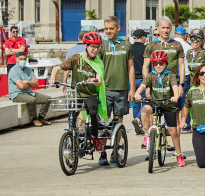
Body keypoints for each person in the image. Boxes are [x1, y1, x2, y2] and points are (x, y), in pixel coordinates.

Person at [50, 32, 108, 166]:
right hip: (77, 93)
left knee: (93, 113)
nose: (95, 49)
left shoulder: (98, 62)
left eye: (97, 47)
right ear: (86, 46)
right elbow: (57, 68)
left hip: (90, 94)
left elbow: (99, 81)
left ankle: (94, 138)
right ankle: (72, 135)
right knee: (72, 114)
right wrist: (53, 78)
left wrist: (92, 81)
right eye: (92, 46)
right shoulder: (76, 58)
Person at [135, 50, 184, 166]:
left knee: (173, 132)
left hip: (168, 103)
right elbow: (142, 85)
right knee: (144, 110)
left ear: (165, 64)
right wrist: (137, 93)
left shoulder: (170, 75)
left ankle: (179, 155)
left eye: (161, 63)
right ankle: (147, 135)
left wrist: (175, 96)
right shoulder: (151, 76)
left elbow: (175, 86)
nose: (158, 66)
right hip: (155, 102)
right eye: (156, 63)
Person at [100, 16, 135, 123]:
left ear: (118, 28)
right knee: (104, 121)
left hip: (121, 89)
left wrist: (132, 89)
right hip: (105, 89)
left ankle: (116, 140)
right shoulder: (101, 45)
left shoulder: (127, 45)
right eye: (106, 29)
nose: (108, 31)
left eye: (111, 28)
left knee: (118, 120)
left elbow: (131, 68)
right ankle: (104, 140)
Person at [9, 52, 51, 127]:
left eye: (24, 59)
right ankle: (34, 119)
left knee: (47, 99)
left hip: (29, 92)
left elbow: (36, 83)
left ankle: (41, 117)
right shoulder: (13, 71)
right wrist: (29, 84)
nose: (23, 61)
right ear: (16, 60)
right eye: (21, 59)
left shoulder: (28, 70)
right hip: (18, 94)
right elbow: (21, 86)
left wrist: (26, 82)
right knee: (32, 100)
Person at [143, 16, 185, 88]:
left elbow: (181, 66)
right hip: (155, 85)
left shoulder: (177, 45)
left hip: (173, 85)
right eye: (163, 28)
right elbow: (145, 67)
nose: (165, 30)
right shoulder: (151, 45)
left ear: (171, 29)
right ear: (158, 28)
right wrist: (147, 86)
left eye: (168, 28)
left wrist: (181, 84)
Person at [131, 29, 148, 134]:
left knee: (135, 103)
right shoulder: (146, 49)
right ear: (143, 37)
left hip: (133, 79)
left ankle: (137, 124)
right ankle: (138, 119)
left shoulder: (130, 48)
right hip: (143, 78)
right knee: (145, 102)